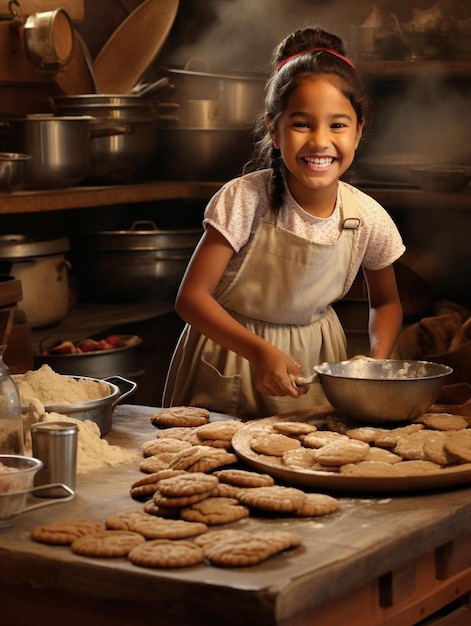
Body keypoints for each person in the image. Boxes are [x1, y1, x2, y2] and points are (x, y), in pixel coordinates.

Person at [163, 26, 405, 419]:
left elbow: (388, 302)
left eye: (338, 125)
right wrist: (259, 352)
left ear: (359, 132)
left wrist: (376, 361)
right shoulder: (244, 200)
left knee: (307, 461)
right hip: (230, 358)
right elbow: (191, 299)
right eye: (302, 124)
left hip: (317, 360)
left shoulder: (367, 217)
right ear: (274, 129)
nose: (320, 141)